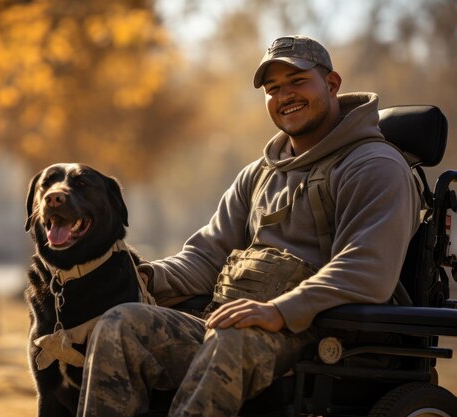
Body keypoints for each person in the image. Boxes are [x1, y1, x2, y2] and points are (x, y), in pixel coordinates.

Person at [75, 35, 421, 417]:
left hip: (321, 332)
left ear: (332, 84)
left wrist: (278, 310)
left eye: (297, 82)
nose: (284, 95)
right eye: (273, 89)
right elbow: (206, 256)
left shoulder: (373, 165)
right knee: (120, 323)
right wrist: (141, 278)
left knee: (231, 339)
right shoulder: (257, 175)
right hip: (233, 322)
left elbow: (366, 268)